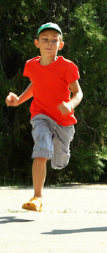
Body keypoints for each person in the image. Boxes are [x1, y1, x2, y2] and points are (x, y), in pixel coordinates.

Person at [5, 22, 83, 212]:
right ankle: (37, 196)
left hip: (63, 121)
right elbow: (35, 85)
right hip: (40, 115)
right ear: (37, 43)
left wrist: (70, 105)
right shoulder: (31, 65)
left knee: (60, 161)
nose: (49, 43)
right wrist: (19, 100)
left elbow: (78, 93)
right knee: (41, 149)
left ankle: (60, 155)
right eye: (45, 40)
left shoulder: (67, 67)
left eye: (54, 40)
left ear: (60, 45)